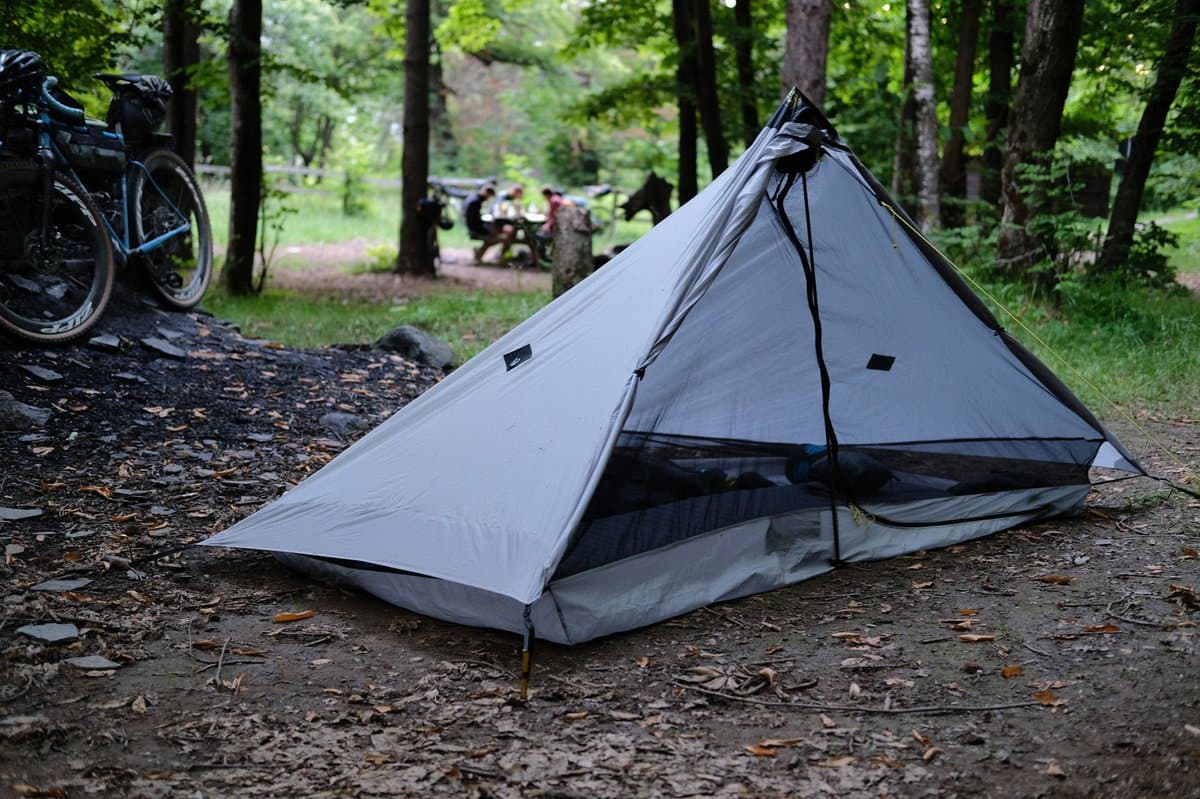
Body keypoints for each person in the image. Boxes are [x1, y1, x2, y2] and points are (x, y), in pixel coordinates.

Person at [464, 183, 517, 262]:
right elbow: (475, 221)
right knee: (504, 238)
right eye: (489, 197)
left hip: (474, 227)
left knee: (500, 235)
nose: (488, 199)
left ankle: (483, 254)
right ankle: (502, 257)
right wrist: (488, 229)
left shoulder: (474, 198)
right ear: (487, 193)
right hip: (476, 230)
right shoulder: (475, 202)